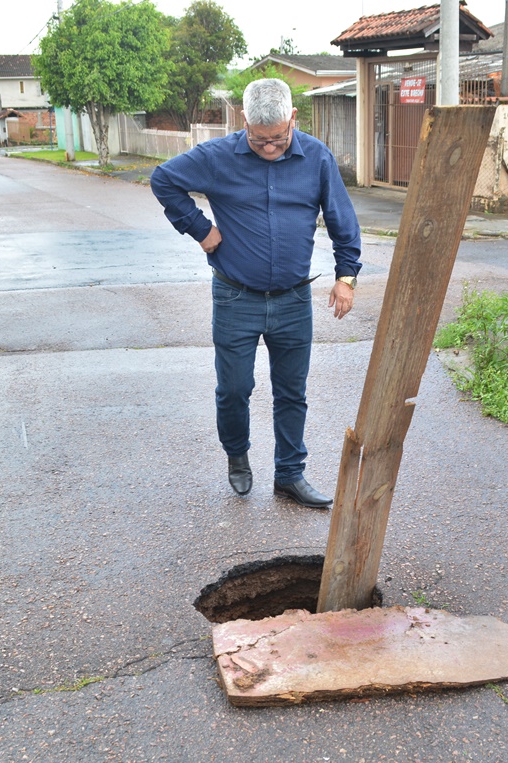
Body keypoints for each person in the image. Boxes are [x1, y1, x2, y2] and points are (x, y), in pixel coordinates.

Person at [150, 78, 362, 509]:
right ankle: (238, 457)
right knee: (234, 388)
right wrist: (201, 230)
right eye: (260, 139)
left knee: (291, 391)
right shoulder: (217, 158)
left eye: (279, 138)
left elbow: (342, 219)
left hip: (293, 301)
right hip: (235, 298)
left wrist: (347, 276)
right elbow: (163, 180)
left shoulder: (317, 158)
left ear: (293, 119)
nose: (270, 147)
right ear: (244, 121)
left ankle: (289, 473)